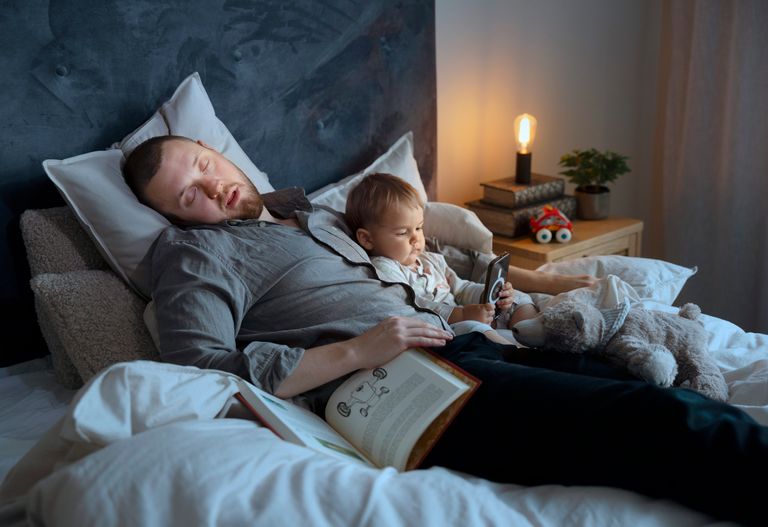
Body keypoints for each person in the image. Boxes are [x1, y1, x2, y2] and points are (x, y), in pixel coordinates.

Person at [124, 134, 766, 526]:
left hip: (464, 344)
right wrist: (358, 348)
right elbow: (197, 372)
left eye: (206, 163)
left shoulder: (307, 213)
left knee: (635, 382)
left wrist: (496, 297)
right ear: (173, 218)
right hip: (397, 386)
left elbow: (419, 259)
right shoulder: (194, 257)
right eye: (188, 196)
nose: (214, 188)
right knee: (651, 421)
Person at [345, 172, 537, 345]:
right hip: (447, 328)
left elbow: (461, 289)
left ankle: (532, 337)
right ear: (367, 239)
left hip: (472, 314)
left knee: (520, 298)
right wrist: (462, 315)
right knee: (476, 330)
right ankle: (517, 353)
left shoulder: (431, 260)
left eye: (419, 228)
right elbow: (414, 307)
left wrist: (490, 296)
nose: (416, 238)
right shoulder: (384, 270)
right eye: (402, 232)